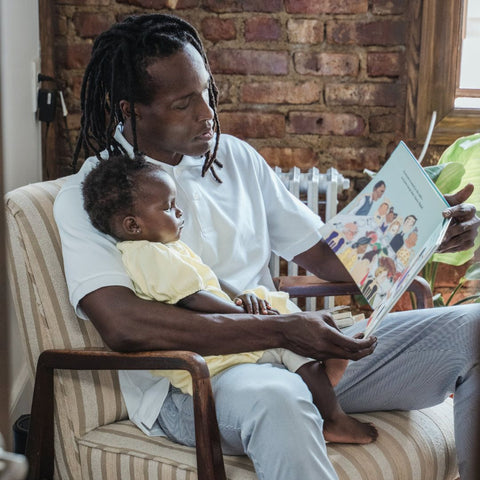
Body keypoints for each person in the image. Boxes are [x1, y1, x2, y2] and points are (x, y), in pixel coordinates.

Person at [53, 13, 480, 479]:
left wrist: (428, 238)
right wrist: (281, 331)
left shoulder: (234, 158)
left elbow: (326, 255)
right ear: (129, 110)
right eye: (183, 104)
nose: (207, 113)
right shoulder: (90, 195)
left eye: (206, 93)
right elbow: (124, 325)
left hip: (294, 358)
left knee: (474, 326)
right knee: (280, 396)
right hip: (196, 382)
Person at [81, 153, 378, 444]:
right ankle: (334, 418)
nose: (180, 213)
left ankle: (325, 365)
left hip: (222, 325)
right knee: (293, 346)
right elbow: (194, 298)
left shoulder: (165, 247)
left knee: (278, 309)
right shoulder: (148, 255)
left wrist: (244, 299)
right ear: (134, 225)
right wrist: (250, 317)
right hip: (213, 352)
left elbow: (207, 282)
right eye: (170, 208)